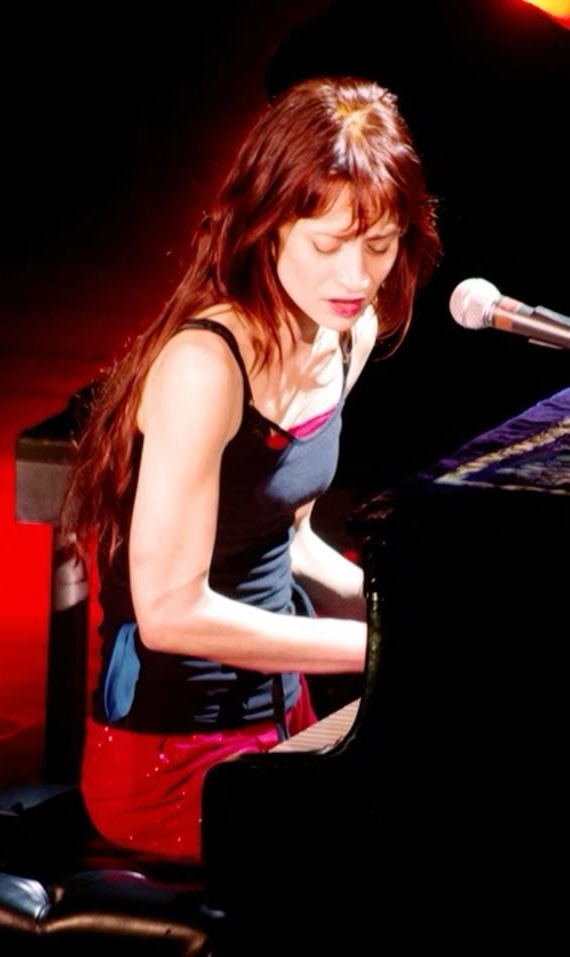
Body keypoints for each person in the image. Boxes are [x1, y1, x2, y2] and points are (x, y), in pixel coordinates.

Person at [59, 75, 441, 864]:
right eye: (327, 245)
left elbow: (287, 541)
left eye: (379, 245)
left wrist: (412, 614)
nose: (356, 278)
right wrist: (374, 649)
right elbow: (169, 613)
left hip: (281, 724)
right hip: (170, 759)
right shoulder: (207, 364)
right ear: (269, 228)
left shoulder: (348, 333)